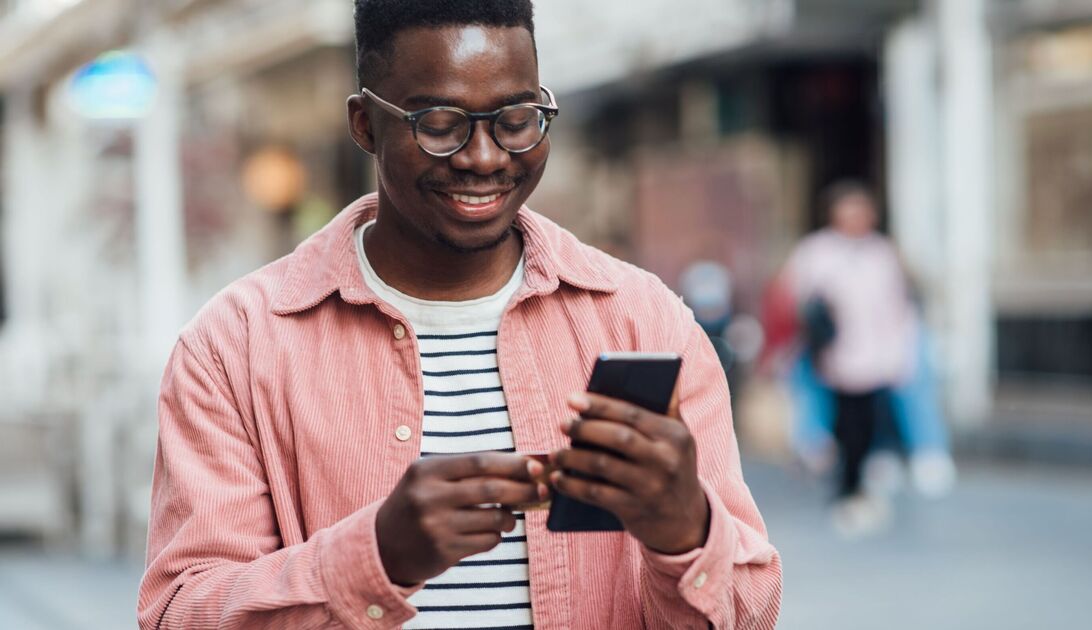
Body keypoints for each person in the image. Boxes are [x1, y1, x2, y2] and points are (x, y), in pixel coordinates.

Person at [136, 2, 782, 628]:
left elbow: (752, 609)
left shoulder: (646, 323)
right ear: (365, 124)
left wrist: (685, 533)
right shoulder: (235, 348)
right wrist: (374, 557)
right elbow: (179, 613)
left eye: (517, 118)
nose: (485, 157)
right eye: (440, 124)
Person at [770, 181, 949, 536]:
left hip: (878, 357)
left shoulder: (882, 254)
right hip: (834, 357)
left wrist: (900, 352)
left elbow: (898, 307)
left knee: (870, 422)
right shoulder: (816, 252)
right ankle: (846, 486)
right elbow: (794, 299)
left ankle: (866, 478)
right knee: (844, 422)